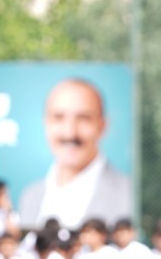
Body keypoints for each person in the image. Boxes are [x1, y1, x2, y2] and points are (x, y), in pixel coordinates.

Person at [18, 79, 133, 231]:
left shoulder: (130, 195)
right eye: (58, 117)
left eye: (83, 118)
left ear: (102, 126)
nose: (70, 132)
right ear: (46, 123)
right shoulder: (30, 196)